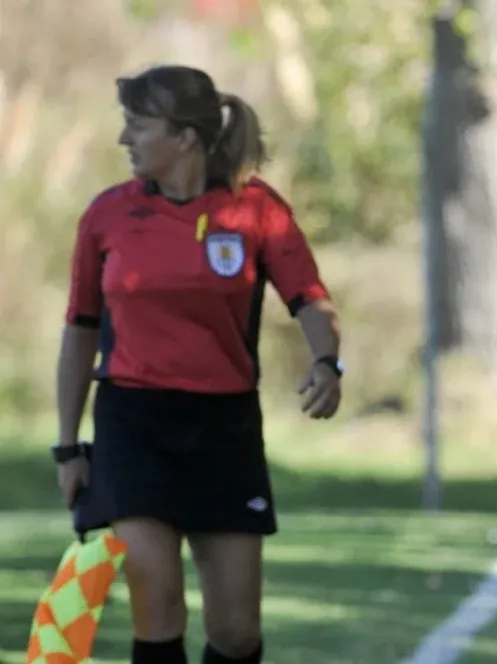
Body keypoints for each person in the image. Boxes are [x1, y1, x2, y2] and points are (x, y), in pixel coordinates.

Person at [52, 65, 344, 664]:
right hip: (132, 425)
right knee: (157, 610)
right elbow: (79, 331)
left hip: (224, 430)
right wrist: (67, 447)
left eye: (138, 125)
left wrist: (326, 362)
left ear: (185, 136)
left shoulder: (257, 209)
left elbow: (311, 300)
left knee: (236, 632)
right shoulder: (107, 215)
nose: (124, 138)